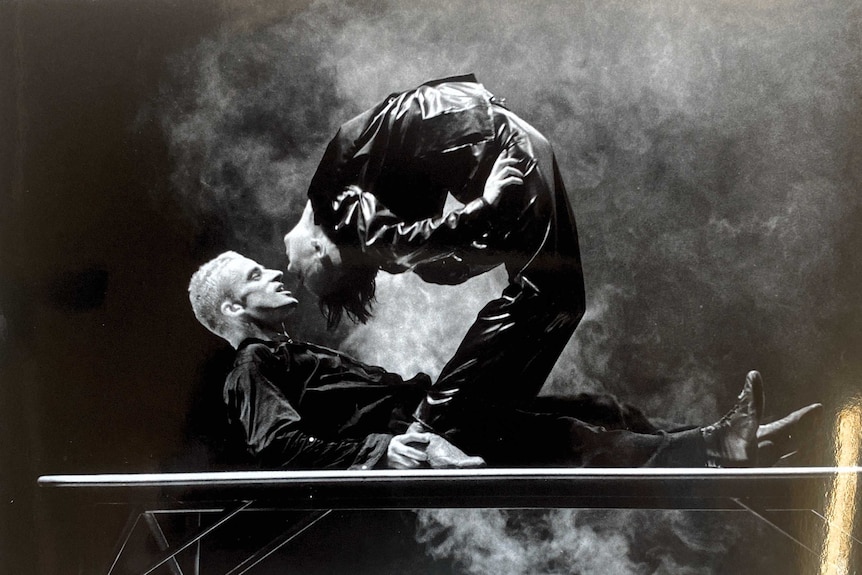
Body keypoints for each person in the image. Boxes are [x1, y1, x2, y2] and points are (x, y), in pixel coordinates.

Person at [188, 251, 821, 470]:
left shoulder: (293, 351)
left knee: (598, 408)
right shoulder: (253, 370)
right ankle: (717, 447)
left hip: (437, 413)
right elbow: (281, 449)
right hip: (429, 431)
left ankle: (721, 445)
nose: (273, 272)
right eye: (254, 275)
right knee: (573, 434)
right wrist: (378, 452)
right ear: (235, 310)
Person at [282, 74, 585, 437]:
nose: (289, 270)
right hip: (502, 145)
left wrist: (485, 209)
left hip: (499, 146)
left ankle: (438, 423)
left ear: (319, 249)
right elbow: (408, 246)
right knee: (553, 299)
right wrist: (479, 224)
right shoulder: (341, 194)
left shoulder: (333, 199)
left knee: (548, 298)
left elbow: (395, 249)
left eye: (301, 275)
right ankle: (479, 418)